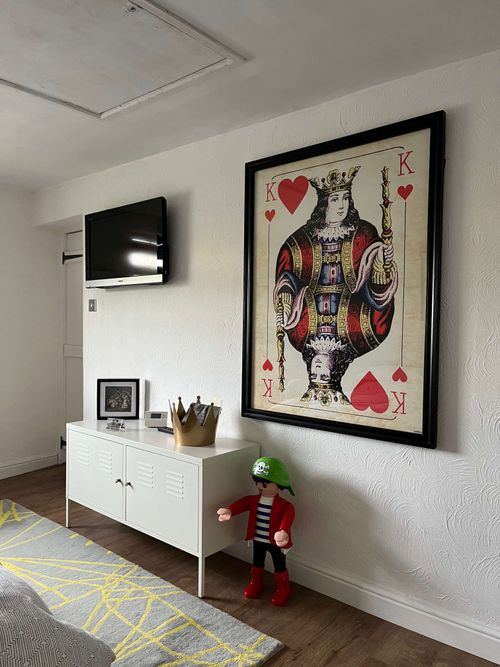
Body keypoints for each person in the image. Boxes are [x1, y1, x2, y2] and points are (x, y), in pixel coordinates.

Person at [274, 166, 398, 405]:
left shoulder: (364, 232)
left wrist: (379, 263)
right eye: (335, 199)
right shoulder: (301, 238)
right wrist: (286, 297)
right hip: (318, 310)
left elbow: (376, 288)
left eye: (345, 198)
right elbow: (287, 271)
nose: (341, 205)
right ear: (324, 204)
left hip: (350, 305)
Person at [217, 457, 295, 606]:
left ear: (279, 484)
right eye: (257, 482)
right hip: (258, 539)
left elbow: (288, 518)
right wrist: (230, 510)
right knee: (257, 563)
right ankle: (255, 582)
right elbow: (242, 503)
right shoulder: (253, 500)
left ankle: (283, 588)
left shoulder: (285, 505)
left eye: (264, 483)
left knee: (279, 566)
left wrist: (283, 531)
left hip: (275, 543)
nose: (260, 486)